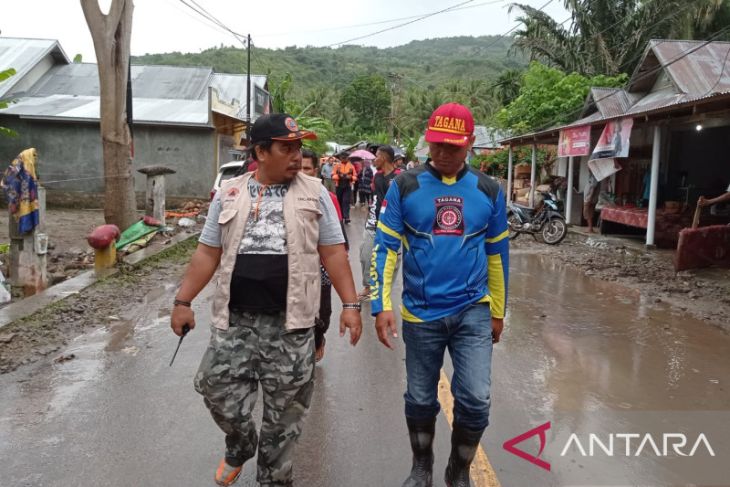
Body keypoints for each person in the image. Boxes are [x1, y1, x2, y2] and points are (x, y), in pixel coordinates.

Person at [170, 113, 363, 487]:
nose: (295, 155)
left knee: (284, 418)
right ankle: (241, 443)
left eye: (298, 148)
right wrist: (183, 301)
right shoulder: (230, 193)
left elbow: (334, 253)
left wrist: (350, 307)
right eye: (285, 148)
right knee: (213, 386)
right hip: (235, 321)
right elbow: (207, 253)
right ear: (260, 151)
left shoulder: (315, 192)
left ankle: (274, 479)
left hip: (291, 325)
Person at [370, 103, 509, 487]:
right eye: (437, 145)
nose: (444, 153)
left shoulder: (489, 190)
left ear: (471, 145)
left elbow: (498, 255)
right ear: (427, 141)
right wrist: (380, 305)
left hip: (473, 311)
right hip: (421, 312)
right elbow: (386, 248)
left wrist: (498, 310)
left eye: (453, 147)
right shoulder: (405, 186)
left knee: (476, 401)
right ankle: (422, 466)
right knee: (419, 399)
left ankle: (459, 469)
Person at [301, 148, 347, 362]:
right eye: (299, 168)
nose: (302, 173)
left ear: (316, 171)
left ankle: (319, 338)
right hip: (295, 270)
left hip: (322, 268)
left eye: (307, 169)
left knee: (323, 314)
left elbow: (337, 240)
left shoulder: (326, 198)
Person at [358, 145, 400, 302]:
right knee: (365, 256)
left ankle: (382, 292)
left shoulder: (399, 177)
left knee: (390, 263)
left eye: (376, 156)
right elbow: (375, 198)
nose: (374, 159)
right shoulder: (377, 177)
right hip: (372, 224)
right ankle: (369, 287)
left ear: (384, 158)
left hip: (390, 228)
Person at [333, 155, 358, 223]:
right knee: (339, 201)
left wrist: (350, 177)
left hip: (347, 186)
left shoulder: (351, 166)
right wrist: (338, 176)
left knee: (346, 201)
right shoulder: (337, 166)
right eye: (342, 157)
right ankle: (340, 216)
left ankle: (346, 217)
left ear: (347, 158)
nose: (344, 159)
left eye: (345, 157)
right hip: (339, 186)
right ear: (340, 158)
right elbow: (333, 175)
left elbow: (355, 176)